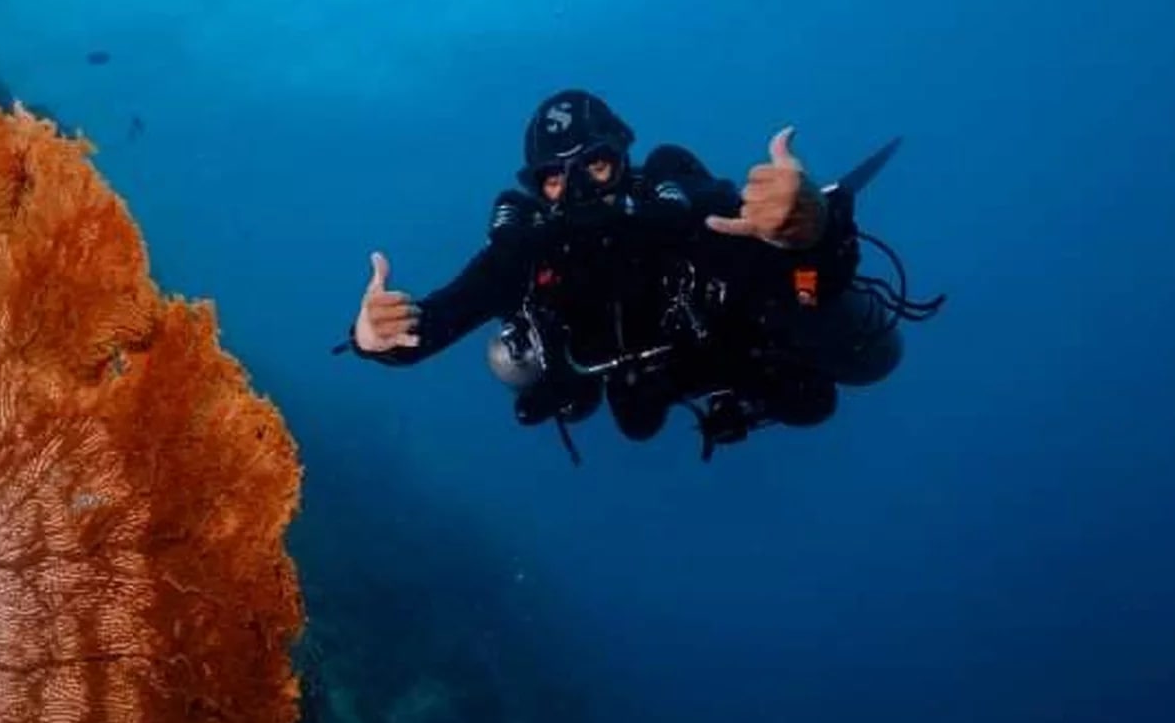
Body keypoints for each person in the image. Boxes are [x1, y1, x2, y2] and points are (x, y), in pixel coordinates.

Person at [338, 89, 943, 462]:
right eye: (555, 177)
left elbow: (811, 285)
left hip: (738, 346)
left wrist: (809, 230)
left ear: (623, 161)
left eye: (595, 165)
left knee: (813, 383)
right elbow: (434, 323)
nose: (576, 189)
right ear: (538, 190)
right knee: (635, 422)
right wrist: (377, 339)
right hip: (641, 378)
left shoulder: (685, 216)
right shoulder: (526, 252)